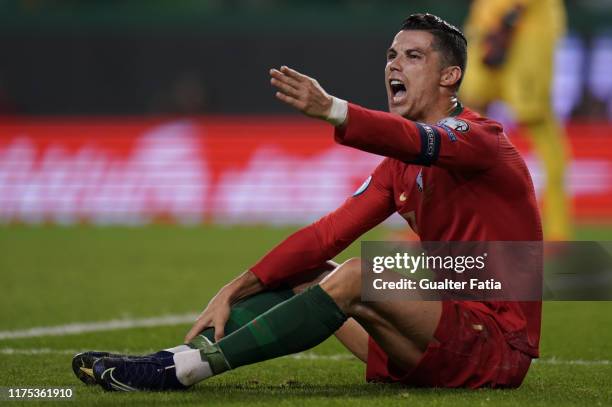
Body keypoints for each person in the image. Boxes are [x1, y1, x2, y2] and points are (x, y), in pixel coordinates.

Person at [72, 13, 542, 391]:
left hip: (496, 347)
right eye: (391, 55)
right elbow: (325, 235)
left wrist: (335, 109)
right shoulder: (397, 169)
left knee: (362, 274)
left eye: (413, 57)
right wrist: (234, 288)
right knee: (312, 273)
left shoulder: (481, 139)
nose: (394, 65)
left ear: (450, 76)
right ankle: (170, 359)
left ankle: (185, 372)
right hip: (440, 340)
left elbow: (418, 140)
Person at [460, 0, 570, 239]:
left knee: (537, 120)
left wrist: (510, 17)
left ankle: (557, 232)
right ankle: (443, 226)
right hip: (485, 27)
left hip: (529, 33)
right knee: (463, 128)